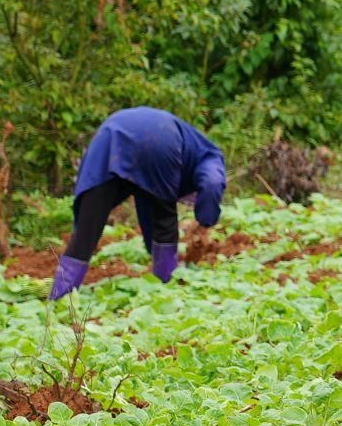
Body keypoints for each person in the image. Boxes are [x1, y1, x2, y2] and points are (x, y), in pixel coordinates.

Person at [49, 107, 228, 300]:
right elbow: (212, 182)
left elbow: (146, 203)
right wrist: (205, 221)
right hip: (159, 139)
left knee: (88, 226)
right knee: (164, 218)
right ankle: (165, 284)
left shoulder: (191, 142)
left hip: (110, 138)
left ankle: (59, 296)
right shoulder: (210, 154)